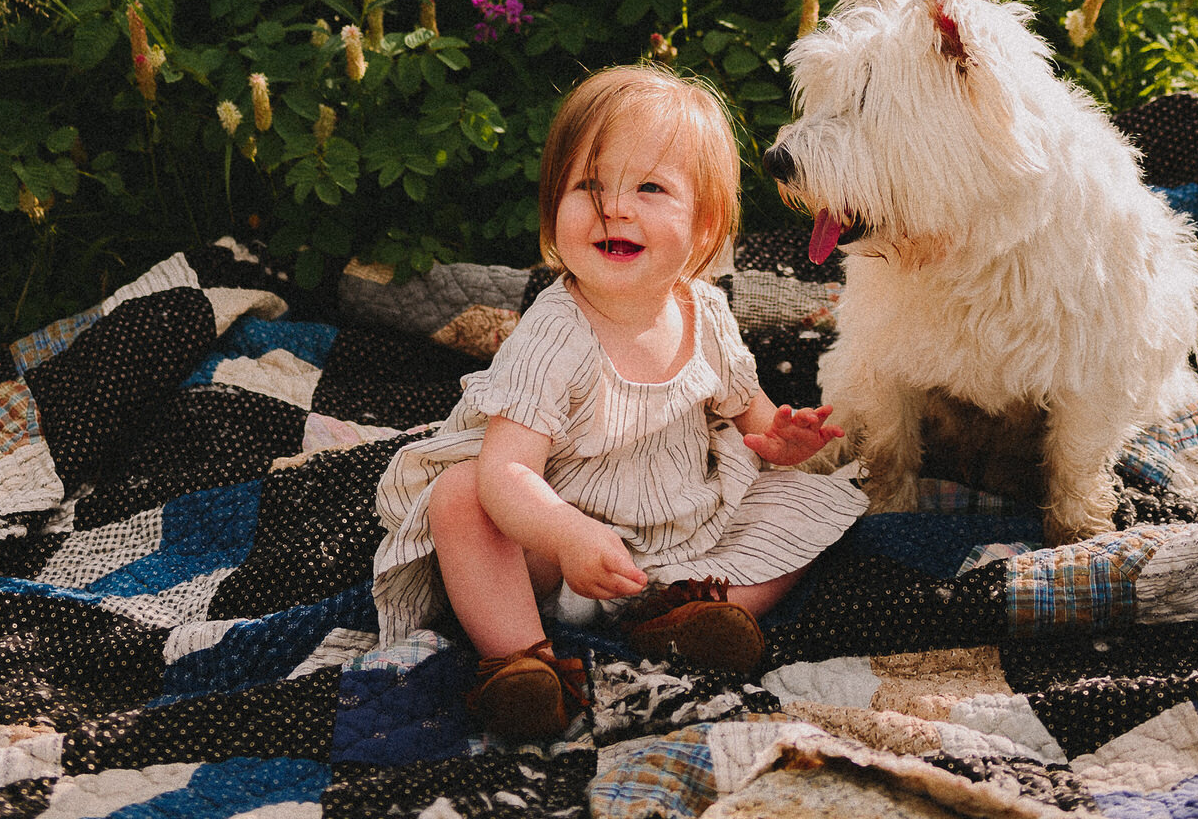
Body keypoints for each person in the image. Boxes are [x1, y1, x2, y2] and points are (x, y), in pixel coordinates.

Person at [371, 63, 869, 741]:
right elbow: (507, 472)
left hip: (676, 544)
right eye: (588, 186)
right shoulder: (554, 332)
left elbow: (748, 411)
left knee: (814, 502)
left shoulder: (706, 314)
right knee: (460, 496)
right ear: (554, 208)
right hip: (548, 553)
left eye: (650, 187)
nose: (616, 208)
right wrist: (566, 535)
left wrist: (779, 440)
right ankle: (521, 661)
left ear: (703, 227)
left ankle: (691, 615)